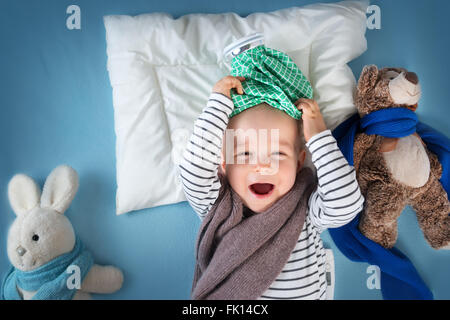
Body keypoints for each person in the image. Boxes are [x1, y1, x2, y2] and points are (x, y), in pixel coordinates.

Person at [179, 75, 364, 300]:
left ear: (298, 162)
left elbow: (346, 204)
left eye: (278, 154)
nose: (262, 166)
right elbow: (193, 169)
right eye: (245, 154)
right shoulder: (218, 206)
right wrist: (218, 105)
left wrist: (318, 137)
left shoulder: (304, 209)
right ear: (225, 164)